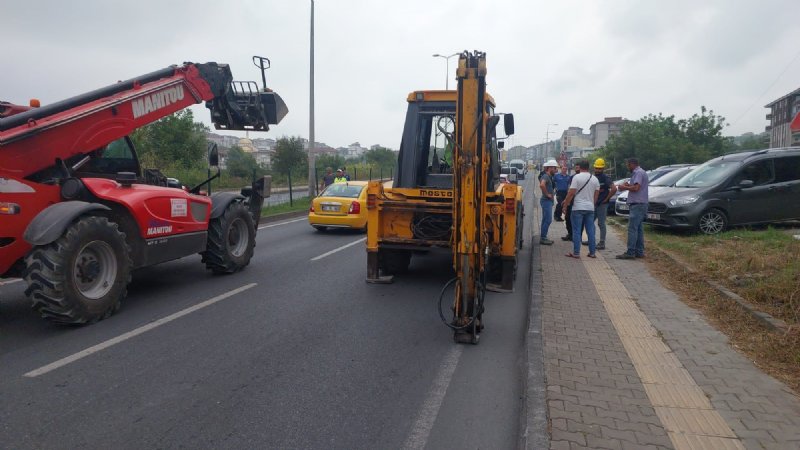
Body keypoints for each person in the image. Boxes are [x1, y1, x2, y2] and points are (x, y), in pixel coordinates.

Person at [561, 160, 600, 258]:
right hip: (590, 208)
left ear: (580, 167)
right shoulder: (595, 179)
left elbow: (571, 193)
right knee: (590, 231)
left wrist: (565, 205)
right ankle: (592, 253)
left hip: (578, 208)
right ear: (588, 167)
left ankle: (576, 253)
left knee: (577, 231)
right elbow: (596, 194)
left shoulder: (576, 177)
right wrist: (592, 204)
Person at [616, 158, 649, 259]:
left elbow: (636, 188)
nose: (628, 167)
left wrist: (624, 187)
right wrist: (628, 185)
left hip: (637, 204)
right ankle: (639, 251)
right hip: (641, 204)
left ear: (632, 164)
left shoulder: (638, 173)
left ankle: (630, 252)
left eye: (628, 165)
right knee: (638, 229)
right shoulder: (640, 172)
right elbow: (635, 186)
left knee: (632, 229)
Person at [590, 158, 616, 250]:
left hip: (602, 204)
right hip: (594, 204)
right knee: (589, 222)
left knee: (601, 223)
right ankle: (591, 239)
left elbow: (614, 189)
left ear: (603, 168)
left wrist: (606, 199)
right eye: (596, 168)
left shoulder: (605, 178)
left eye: (599, 168)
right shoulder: (592, 177)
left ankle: (602, 243)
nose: (598, 170)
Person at [538, 159, 559, 245]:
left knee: (545, 219)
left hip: (547, 201)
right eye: (555, 168)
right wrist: (547, 194)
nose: (556, 170)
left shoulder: (549, 176)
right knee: (548, 219)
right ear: (550, 168)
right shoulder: (546, 176)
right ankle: (543, 238)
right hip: (546, 201)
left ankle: (543, 236)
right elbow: (542, 185)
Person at [561, 166, 580, 242]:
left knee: (576, 220)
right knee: (567, 218)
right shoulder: (572, 177)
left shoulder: (585, 178)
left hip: (578, 203)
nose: (577, 169)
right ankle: (570, 234)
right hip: (571, 201)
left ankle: (576, 236)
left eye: (578, 168)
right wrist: (566, 200)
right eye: (576, 167)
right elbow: (569, 190)